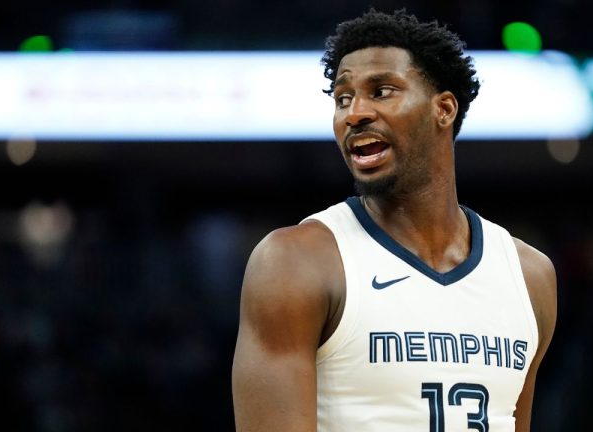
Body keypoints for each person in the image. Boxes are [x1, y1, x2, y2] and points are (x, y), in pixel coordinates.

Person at [232, 8, 556, 432]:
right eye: (343, 98)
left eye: (381, 91)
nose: (354, 114)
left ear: (443, 109)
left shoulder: (529, 276)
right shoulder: (295, 262)